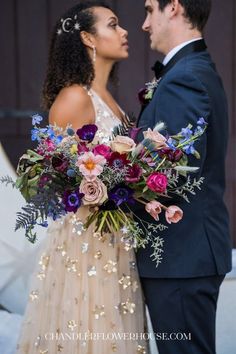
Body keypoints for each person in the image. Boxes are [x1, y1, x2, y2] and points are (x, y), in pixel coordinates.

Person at [16, 1, 147, 353]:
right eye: (113, 25)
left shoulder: (110, 100)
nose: (124, 32)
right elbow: (55, 176)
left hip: (116, 240)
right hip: (86, 247)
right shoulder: (74, 97)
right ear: (88, 38)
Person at [135, 0, 232, 353]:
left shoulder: (185, 77)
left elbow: (172, 173)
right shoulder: (192, 69)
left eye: (149, 9)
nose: (144, 24)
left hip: (181, 255)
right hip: (184, 256)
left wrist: (113, 186)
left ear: (173, 6)